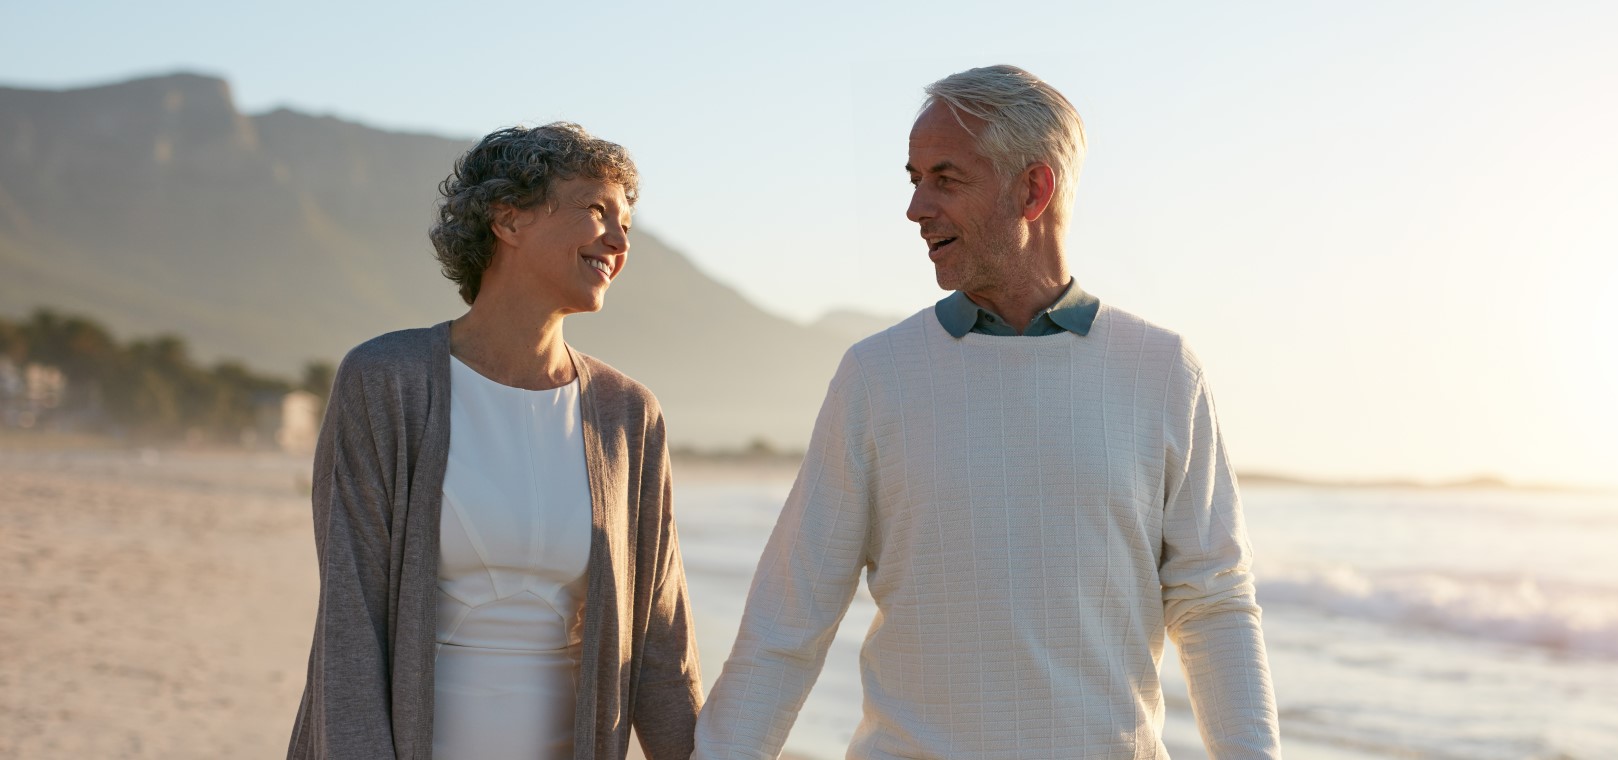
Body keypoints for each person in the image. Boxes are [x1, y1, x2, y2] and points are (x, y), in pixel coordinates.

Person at [694, 66, 1281, 759]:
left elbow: (1214, 604)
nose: (916, 207)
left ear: (1033, 189)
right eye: (912, 178)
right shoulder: (877, 375)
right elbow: (787, 622)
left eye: (945, 178)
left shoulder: (1161, 371)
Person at [286, 123, 701, 760]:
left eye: (626, 223)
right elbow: (351, 624)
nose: (618, 241)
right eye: (596, 210)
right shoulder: (387, 380)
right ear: (507, 220)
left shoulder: (627, 414)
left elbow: (661, 646)